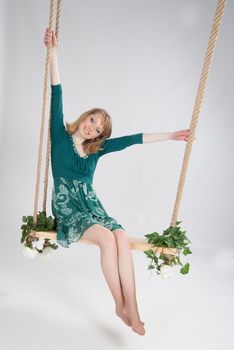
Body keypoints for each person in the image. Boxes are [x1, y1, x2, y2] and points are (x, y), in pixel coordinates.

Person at [43, 28, 190, 336]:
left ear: (99, 137)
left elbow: (132, 140)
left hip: (93, 206)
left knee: (120, 236)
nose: (92, 126)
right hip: (69, 208)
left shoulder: (96, 151)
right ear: (85, 117)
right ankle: (119, 303)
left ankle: (130, 308)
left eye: (98, 128)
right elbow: (57, 91)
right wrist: (53, 52)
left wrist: (171, 135)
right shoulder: (60, 134)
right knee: (108, 241)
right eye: (92, 119)